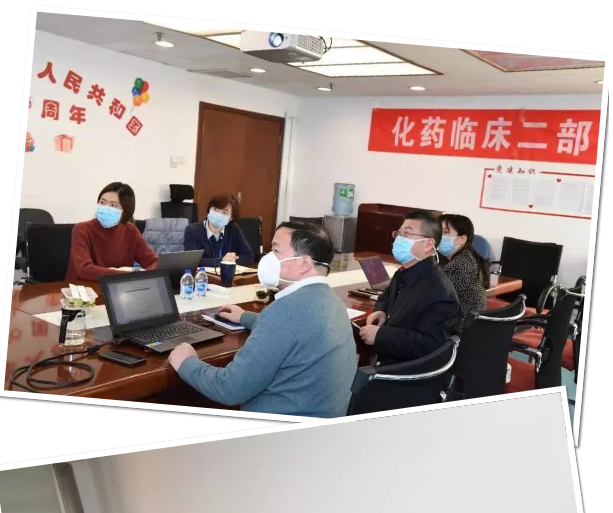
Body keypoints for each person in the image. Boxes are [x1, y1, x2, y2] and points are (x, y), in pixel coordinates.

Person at [169, 222, 357, 418]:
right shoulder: (331, 300)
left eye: (276, 250)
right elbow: (294, 329)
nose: (268, 257)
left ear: (304, 264)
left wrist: (187, 363)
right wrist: (245, 317)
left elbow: (229, 388)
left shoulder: (285, 312)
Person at [359, 211, 459, 365]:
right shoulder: (405, 272)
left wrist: (381, 336)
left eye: (407, 234)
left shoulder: (439, 292)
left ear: (428, 244)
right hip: (388, 359)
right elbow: (386, 297)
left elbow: (430, 344)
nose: (399, 239)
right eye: (399, 233)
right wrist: (382, 311)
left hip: (408, 371)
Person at [66, 182, 158, 281]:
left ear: (125, 211)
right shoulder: (81, 229)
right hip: (84, 287)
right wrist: (127, 275)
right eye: (102, 202)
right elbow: (84, 269)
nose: (105, 208)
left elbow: (153, 261)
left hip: (118, 286)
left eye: (113, 205)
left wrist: (146, 276)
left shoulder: (131, 230)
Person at [438, 214, 489, 331]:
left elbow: (434, 297)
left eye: (445, 232)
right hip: (471, 325)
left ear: (462, 239)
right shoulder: (467, 257)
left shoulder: (460, 265)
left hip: (462, 329)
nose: (439, 236)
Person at [184, 193, 254, 268]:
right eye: (215, 209)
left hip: (226, 273)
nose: (218, 215)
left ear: (231, 218)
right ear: (209, 210)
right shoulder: (192, 230)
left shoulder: (233, 229)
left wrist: (231, 260)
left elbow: (249, 256)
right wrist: (222, 261)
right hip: (201, 274)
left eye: (224, 212)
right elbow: (192, 261)